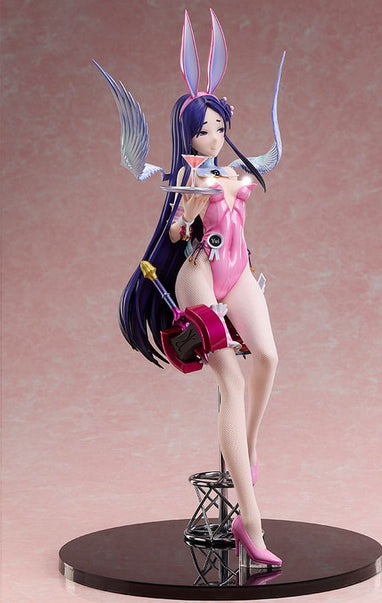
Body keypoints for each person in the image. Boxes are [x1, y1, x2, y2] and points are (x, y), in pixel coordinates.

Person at [95, 9, 285, 569]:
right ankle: (250, 521)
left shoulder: (230, 170)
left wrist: (233, 179)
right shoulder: (186, 179)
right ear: (187, 134)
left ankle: (249, 447)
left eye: (220, 128)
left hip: (238, 270)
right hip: (199, 273)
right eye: (205, 130)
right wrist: (189, 214)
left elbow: (251, 178)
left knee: (269, 358)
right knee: (231, 380)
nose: (215, 137)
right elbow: (177, 234)